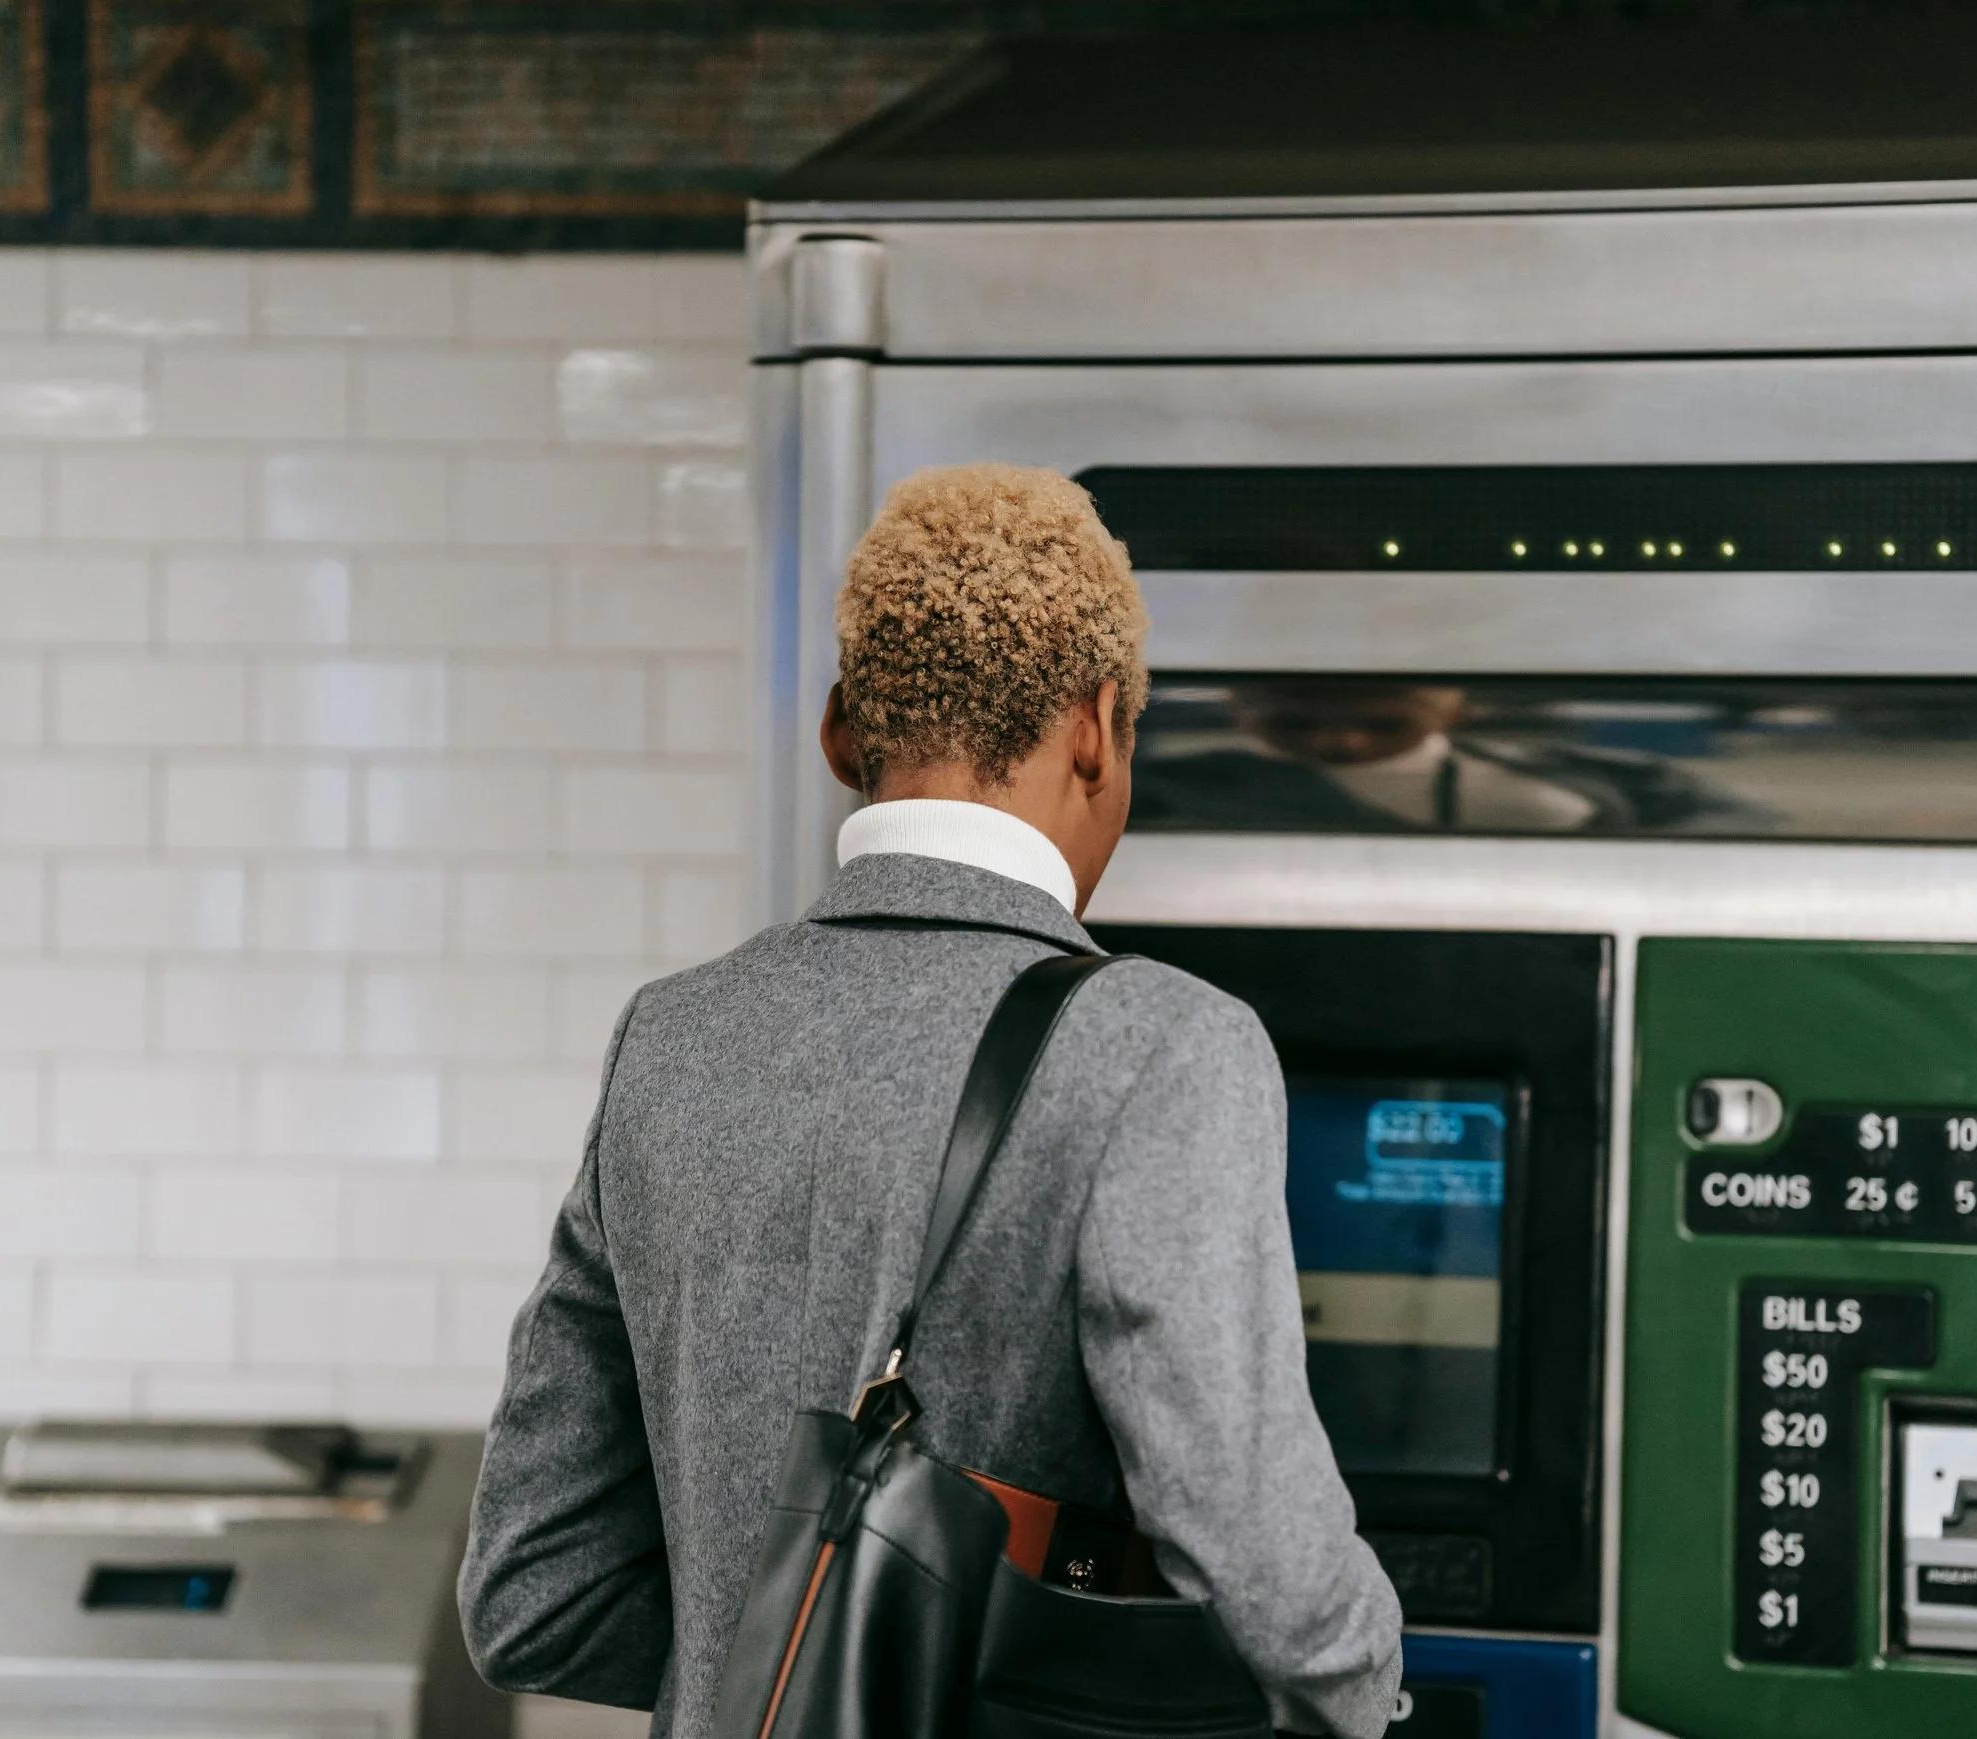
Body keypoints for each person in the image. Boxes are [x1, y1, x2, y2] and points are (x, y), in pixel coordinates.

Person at [457, 463, 1404, 1739]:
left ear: (844, 732)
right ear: (1095, 726)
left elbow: (534, 1592)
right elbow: (1276, 1590)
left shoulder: (669, 1037)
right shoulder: (1163, 1047)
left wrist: (772, 1669)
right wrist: (1371, 1689)